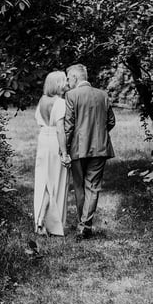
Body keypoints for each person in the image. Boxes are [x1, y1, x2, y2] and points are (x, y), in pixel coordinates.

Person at [64, 63, 116, 240]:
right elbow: (111, 122)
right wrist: (99, 133)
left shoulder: (71, 95)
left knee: (79, 187)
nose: (67, 82)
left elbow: (69, 126)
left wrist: (64, 148)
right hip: (100, 148)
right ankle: (85, 224)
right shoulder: (103, 95)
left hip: (78, 148)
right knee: (93, 187)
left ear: (76, 78)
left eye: (68, 78)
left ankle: (82, 224)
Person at [33, 71, 71, 236]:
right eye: (64, 81)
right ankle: (45, 221)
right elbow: (60, 130)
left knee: (43, 181)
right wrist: (64, 153)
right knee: (54, 183)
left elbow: (39, 122)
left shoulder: (41, 101)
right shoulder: (60, 103)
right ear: (58, 84)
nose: (66, 84)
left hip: (43, 140)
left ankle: (40, 221)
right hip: (54, 140)